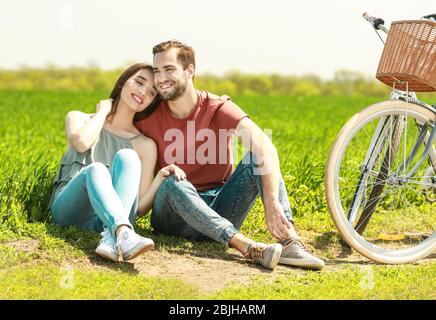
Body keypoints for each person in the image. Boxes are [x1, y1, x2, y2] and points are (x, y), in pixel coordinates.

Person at [135, 41, 325, 270]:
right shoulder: (148, 116)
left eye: (169, 69)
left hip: (220, 208)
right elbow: (116, 122)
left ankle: (289, 242)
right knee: (173, 181)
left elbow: (264, 146)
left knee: (258, 157)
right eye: (157, 71)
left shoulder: (217, 107)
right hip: (173, 216)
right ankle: (246, 246)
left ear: (190, 71)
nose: (161, 78)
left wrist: (272, 200)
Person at [48, 63, 186, 262]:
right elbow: (82, 143)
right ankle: (121, 232)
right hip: (69, 212)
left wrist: (162, 176)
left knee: (128, 156)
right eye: (139, 82)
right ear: (122, 82)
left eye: (151, 93)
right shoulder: (79, 118)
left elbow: (139, 208)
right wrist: (103, 112)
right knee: (96, 169)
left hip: (106, 222)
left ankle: (114, 236)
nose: (143, 93)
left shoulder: (145, 145)